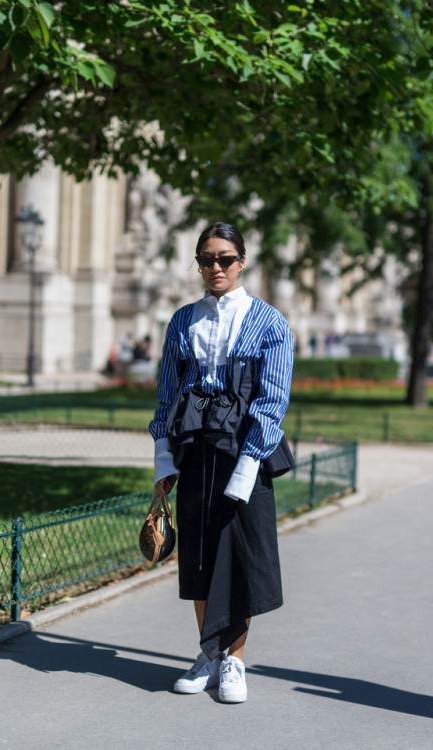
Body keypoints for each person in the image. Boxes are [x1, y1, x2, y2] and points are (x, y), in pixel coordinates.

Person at [149, 222, 294, 703]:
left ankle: (234, 660)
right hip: (194, 446)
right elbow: (168, 393)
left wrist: (247, 467)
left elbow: (272, 401)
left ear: (242, 261)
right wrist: (163, 461)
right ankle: (207, 655)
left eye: (225, 258)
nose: (216, 267)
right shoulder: (183, 320)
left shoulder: (269, 322)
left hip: (243, 446)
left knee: (238, 555)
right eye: (207, 259)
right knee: (198, 553)